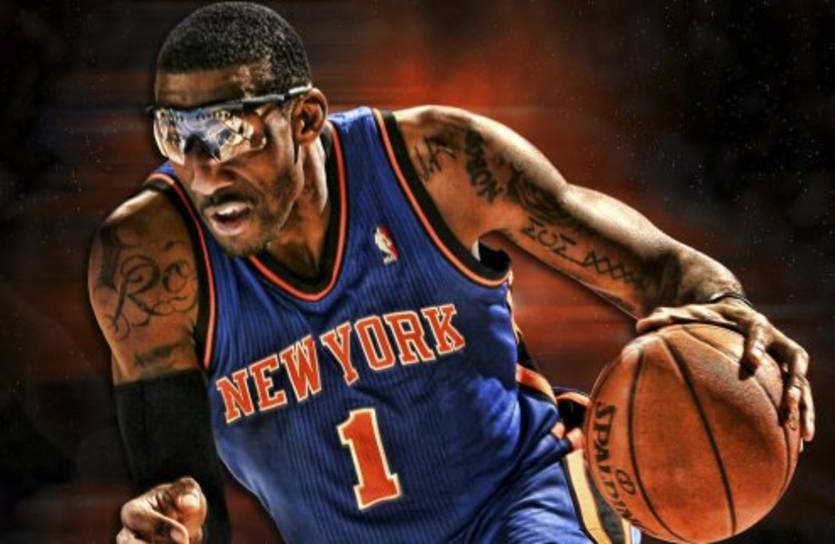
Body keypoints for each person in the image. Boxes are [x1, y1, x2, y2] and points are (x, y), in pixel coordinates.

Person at [87, 3, 815, 543]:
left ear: (305, 118)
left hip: (521, 500)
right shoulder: (148, 264)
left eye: (228, 132)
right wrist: (165, 527)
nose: (203, 170)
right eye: (174, 134)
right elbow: (184, 499)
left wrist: (724, 305)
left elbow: (656, 268)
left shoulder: (436, 166)